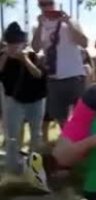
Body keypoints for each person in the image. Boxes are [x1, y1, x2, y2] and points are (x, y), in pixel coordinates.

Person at [0, 22, 47, 180]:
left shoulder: (33, 56)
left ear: (23, 42)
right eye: (11, 42)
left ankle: (35, 172)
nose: (14, 45)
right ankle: (13, 171)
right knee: (12, 137)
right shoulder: (3, 57)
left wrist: (25, 60)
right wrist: (6, 56)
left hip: (36, 100)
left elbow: (38, 74)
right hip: (14, 101)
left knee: (36, 135)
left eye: (16, 42)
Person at [32, 0, 88, 128]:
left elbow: (84, 43)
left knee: (81, 115)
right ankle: (68, 142)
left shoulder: (70, 22)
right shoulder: (38, 26)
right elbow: (35, 48)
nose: (47, 7)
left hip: (74, 75)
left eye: (49, 3)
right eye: (43, 4)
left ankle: (81, 144)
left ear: (55, 4)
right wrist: (40, 25)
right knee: (60, 117)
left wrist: (68, 22)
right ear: (39, 6)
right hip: (54, 78)